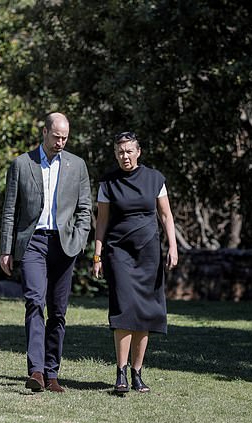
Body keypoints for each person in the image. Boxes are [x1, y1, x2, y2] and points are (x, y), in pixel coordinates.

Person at [0, 112, 92, 393]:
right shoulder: (21, 164)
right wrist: (6, 249)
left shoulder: (77, 165)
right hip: (32, 243)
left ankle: (52, 374)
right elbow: (9, 210)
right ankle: (36, 372)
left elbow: (85, 209)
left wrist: (79, 241)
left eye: (65, 138)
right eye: (56, 137)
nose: (60, 142)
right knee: (34, 302)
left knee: (59, 312)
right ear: (44, 132)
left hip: (65, 246)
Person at [92, 131, 178, 393]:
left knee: (145, 312)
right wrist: (97, 254)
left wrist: (172, 247)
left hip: (148, 252)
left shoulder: (155, 179)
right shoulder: (108, 181)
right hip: (119, 253)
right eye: (120, 152)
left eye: (129, 151)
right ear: (115, 154)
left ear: (138, 152)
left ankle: (137, 372)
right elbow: (102, 221)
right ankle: (120, 373)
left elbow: (166, 216)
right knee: (124, 310)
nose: (125, 156)